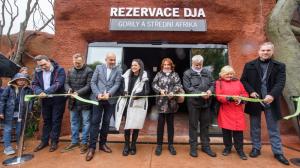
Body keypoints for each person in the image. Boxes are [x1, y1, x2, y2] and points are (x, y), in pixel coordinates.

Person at [241, 42, 289, 165]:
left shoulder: (280, 66)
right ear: (259, 51)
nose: (265, 52)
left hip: (271, 101)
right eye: (263, 50)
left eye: (268, 50)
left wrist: (272, 95)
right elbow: (244, 81)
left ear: (272, 52)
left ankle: (278, 152)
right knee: (255, 127)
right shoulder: (249, 65)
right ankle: (256, 148)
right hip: (255, 100)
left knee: (273, 128)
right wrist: (251, 91)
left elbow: (280, 83)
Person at [86, 52, 122, 161]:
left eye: (114, 60)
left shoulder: (118, 69)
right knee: (95, 122)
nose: (113, 62)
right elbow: (93, 82)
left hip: (110, 100)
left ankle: (103, 144)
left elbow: (117, 84)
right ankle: (92, 147)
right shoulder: (98, 67)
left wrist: (109, 94)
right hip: (98, 99)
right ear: (106, 59)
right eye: (111, 60)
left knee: (106, 123)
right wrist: (98, 94)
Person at [183, 55, 216, 158]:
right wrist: (200, 93)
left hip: (206, 103)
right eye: (196, 64)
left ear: (202, 63)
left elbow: (213, 83)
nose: (198, 66)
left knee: (205, 126)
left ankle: (205, 146)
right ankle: (193, 147)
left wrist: (210, 90)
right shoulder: (187, 73)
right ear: (192, 63)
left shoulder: (207, 72)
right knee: (193, 125)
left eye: (200, 64)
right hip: (194, 103)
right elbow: (188, 88)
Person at [115, 59, 150, 156]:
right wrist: (123, 93)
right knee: (127, 125)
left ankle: (133, 145)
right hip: (127, 104)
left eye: (135, 65)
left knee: (136, 126)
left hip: (137, 104)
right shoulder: (126, 75)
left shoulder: (144, 77)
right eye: (132, 65)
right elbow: (120, 89)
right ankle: (126, 145)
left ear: (140, 66)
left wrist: (137, 95)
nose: (133, 67)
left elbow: (147, 91)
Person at [32, 55, 66, 152]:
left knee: (56, 121)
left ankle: (54, 142)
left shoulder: (59, 70)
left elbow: (59, 83)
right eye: (40, 65)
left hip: (57, 100)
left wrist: (46, 92)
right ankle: (44, 141)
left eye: (44, 64)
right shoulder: (38, 71)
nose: (43, 67)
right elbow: (34, 84)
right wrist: (39, 92)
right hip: (45, 100)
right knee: (46, 121)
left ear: (48, 61)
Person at [61, 53, 93, 154]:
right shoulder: (70, 71)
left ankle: (84, 143)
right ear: (73, 61)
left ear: (83, 61)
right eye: (75, 63)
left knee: (86, 123)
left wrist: (77, 92)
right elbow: (66, 83)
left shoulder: (89, 71)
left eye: (79, 62)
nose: (77, 64)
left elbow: (89, 86)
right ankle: (74, 141)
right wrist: (68, 89)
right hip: (73, 101)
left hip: (85, 101)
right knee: (74, 122)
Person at [215, 65, 248, 160]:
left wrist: (241, 100)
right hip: (226, 110)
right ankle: (227, 148)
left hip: (237, 110)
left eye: (231, 74)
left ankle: (240, 150)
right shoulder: (219, 82)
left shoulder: (238, 82)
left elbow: (245, 93)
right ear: (222, 74)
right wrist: (230, 98)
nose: (230, 75)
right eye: (227, 74)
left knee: (238, 132)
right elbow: (219, 96)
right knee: (226, 132)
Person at [152, 58, 184, 156]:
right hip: (161, 104)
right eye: (164, 65)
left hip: (171, 104)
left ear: (171, 66)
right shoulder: (158, 74)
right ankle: (159, 145)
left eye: (168, 65)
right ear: (162, 66)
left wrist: (173, 92)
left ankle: (171, 145)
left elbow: (179, 85)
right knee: (160, 126)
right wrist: (159, 90)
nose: (166, 66)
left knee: (170, 126)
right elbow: (153, 84)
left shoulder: (175, 75)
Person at [0, 73, 32, 155]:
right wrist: (1, 112)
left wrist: (29, 110)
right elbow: (2, 100)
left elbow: (31, 101)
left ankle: (19, 144)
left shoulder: (28, 89)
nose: (21, 81)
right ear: (15, 80)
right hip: (9, 113)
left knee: (19, 130)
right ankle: (7, 147)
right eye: (19, 80)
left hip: (21, 113)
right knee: (8, 129)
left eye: (23, 80)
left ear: (25, 81)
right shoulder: (9, 88)